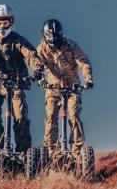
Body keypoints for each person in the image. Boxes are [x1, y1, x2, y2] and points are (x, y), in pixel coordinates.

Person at [0, 4, 43, 156]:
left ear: (11, 22)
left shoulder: (18, 40)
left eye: (5, 22)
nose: (3, 26)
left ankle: (24, 153)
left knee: (21, 116)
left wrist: (37, 69)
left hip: (16, 82)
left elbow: (31, 55)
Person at [37, 19, 93, 161]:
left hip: (72, 86)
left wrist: (88, 79)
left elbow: (83, 62)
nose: (52, 41)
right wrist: (41, 79)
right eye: (49, 37)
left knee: (74, 115)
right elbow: (37, 66)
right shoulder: (42, 49)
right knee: (51, 117)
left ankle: (76, 151)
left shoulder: (71, 46)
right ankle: (51, 152)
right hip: (53, 87)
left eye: (55, 37)